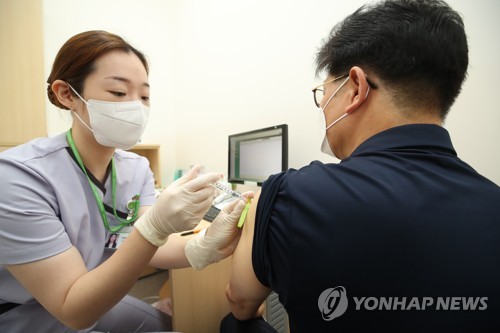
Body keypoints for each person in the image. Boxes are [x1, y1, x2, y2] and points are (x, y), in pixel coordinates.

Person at [224, 0, 500, 332]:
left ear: (355, 87)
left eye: (323, 94)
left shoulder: (291, 194)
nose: (323, 108)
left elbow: (240, 302)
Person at [0, 30, 250, 333]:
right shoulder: (19, 177)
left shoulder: (136, 168)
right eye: (118, 93)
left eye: (144, 96)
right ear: (67, 94)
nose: (136, 107)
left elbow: (150, 246)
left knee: (171, 326)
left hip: (97, 289)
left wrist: (200, 247)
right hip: (32, 312)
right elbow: (73, 311)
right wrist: (155, 226)